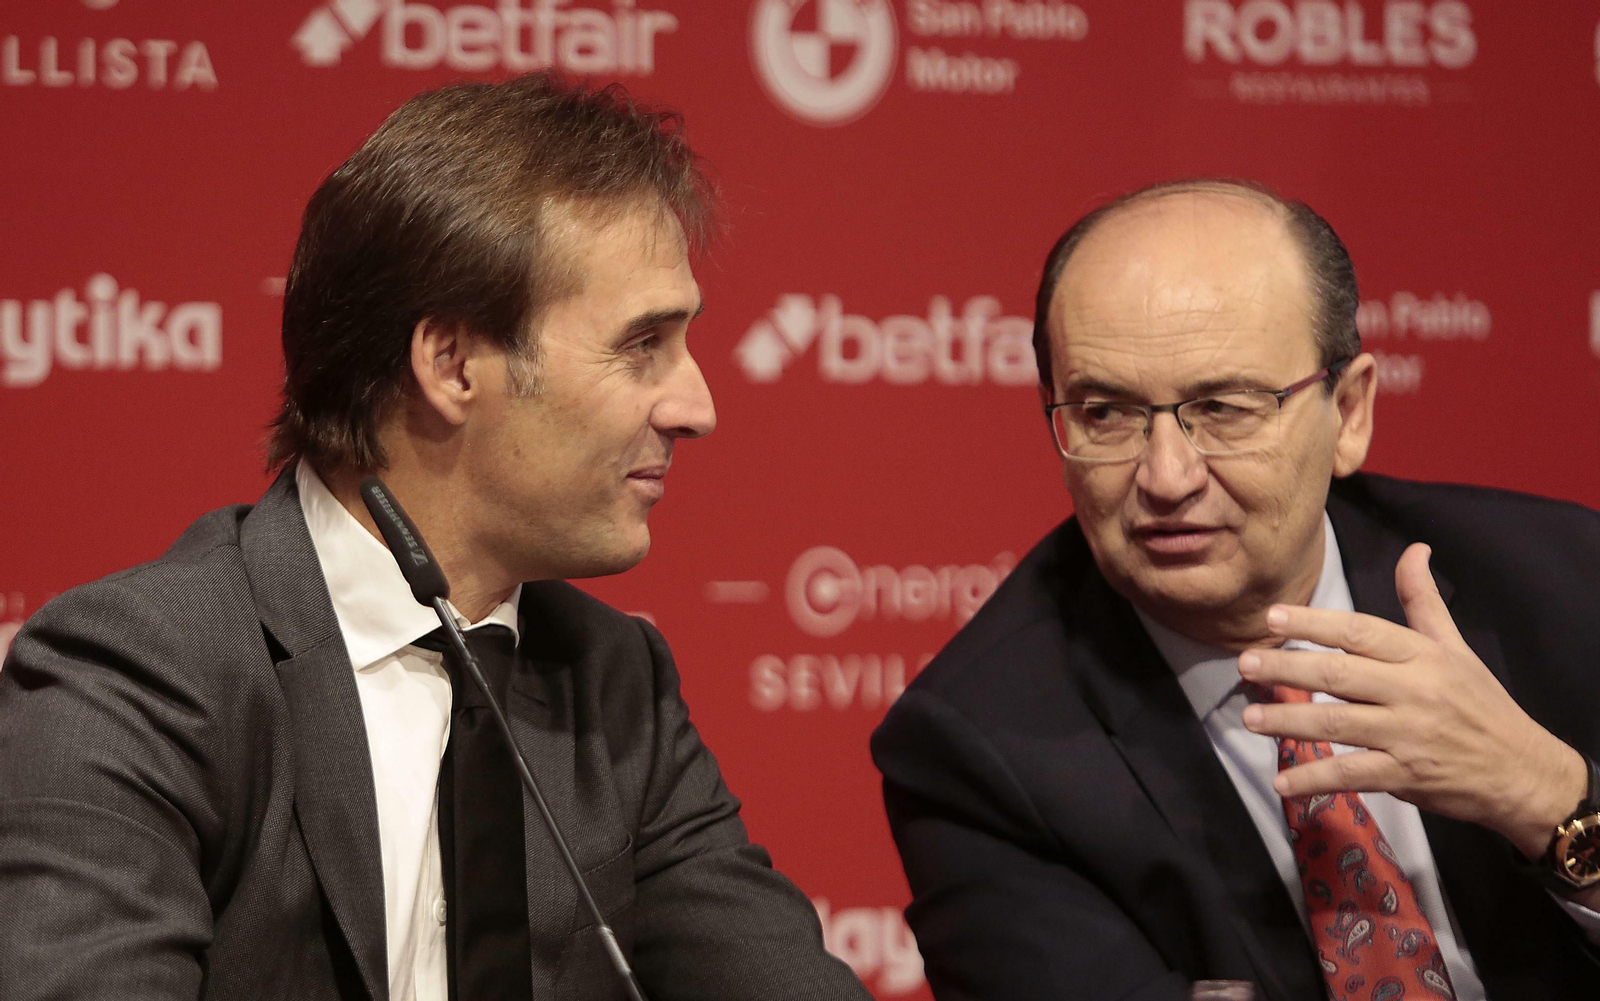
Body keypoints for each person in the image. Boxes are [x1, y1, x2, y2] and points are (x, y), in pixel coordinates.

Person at [0, 73, 869, 1001]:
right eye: (641, 345)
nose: (696, 405)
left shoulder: (616, 685)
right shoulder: (138, 676)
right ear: (452, 364)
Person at [872, 179, 1600, 1001]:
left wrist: (1552, 802)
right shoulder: (986, 749)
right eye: (1106, 413)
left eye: (1223, 406)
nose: (1166, 475)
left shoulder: (1566, 584)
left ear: (1349, 411)